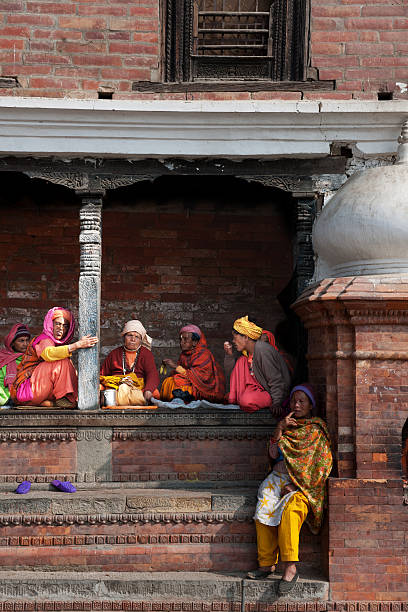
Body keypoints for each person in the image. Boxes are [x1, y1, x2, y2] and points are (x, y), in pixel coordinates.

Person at [247, 384, 332, 596]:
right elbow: (273, 454)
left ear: (311, 405)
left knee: (290, 512)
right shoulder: (287, 426)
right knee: (263, 507)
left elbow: (322, 466)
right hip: (279, 479)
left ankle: (291, 567)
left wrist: (296, 485)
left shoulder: (316, 430)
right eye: (294, 400)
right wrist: (280, 427)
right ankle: (266, 564)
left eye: (302, 401)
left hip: (304, 485)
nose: (297, 404)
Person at [11, 307, 97, 408]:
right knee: (62, 361)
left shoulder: (59, 346)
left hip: (39, 392)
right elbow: (48, 354)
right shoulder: (44, 339)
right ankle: (62, 397)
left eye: (65, 326)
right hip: (26, 390)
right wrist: (76, 345)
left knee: (69, 367)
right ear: (50, 324)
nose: (61, 328)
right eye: (57, 324)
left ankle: (50, 402)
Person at [226, 316, 291, 414]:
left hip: (271, 393)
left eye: (235, 338)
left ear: (246, 337)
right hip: (259, 390)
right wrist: (229, 356)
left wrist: (277, 402)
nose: (233, 341)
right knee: (241, 361)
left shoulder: (262, 349)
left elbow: (276, 380)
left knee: (246, 401)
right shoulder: (246, 354)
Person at [161, 324, 225, 403]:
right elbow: (181, 373)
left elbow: (200, 378)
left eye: (185, 339)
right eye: (180, 340)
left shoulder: (204, 354)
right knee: (169, 381)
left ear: (195, 342)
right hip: (190, 383)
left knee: (177, 382)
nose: (182, 342)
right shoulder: (184, 355)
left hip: (203, 389)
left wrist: (175, 366)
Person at [100, 320, 160, 406]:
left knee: (155, 393)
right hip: (116, 387)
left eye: (137, 337)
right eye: (130, 335)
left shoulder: (146, 354)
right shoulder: (114, 354)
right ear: (124, 337)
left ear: (141, 340)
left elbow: (152, 374)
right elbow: (102, 374)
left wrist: (148, 390)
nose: (133, 339)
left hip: (138, 388)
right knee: (99, 389)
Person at [0, 324, 31, 407]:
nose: (25, 344)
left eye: (27, 340)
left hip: (27, 397)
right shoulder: (3, 359)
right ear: (12, 343)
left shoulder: (32, 358)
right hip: (6, 397)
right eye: (21, 341)